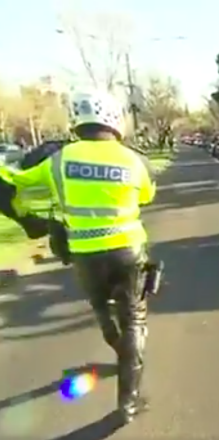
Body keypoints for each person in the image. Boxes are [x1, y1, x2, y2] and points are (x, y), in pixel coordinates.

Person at [3, 90, 157, 424]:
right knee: (135, 320)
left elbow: (19, 182)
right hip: (127, 251)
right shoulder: (131, 159)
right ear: (114, 121)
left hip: (85, 253)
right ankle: (128, 403)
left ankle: (119, 348)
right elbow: (147, 194)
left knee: (102, 308)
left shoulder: (59, 160)